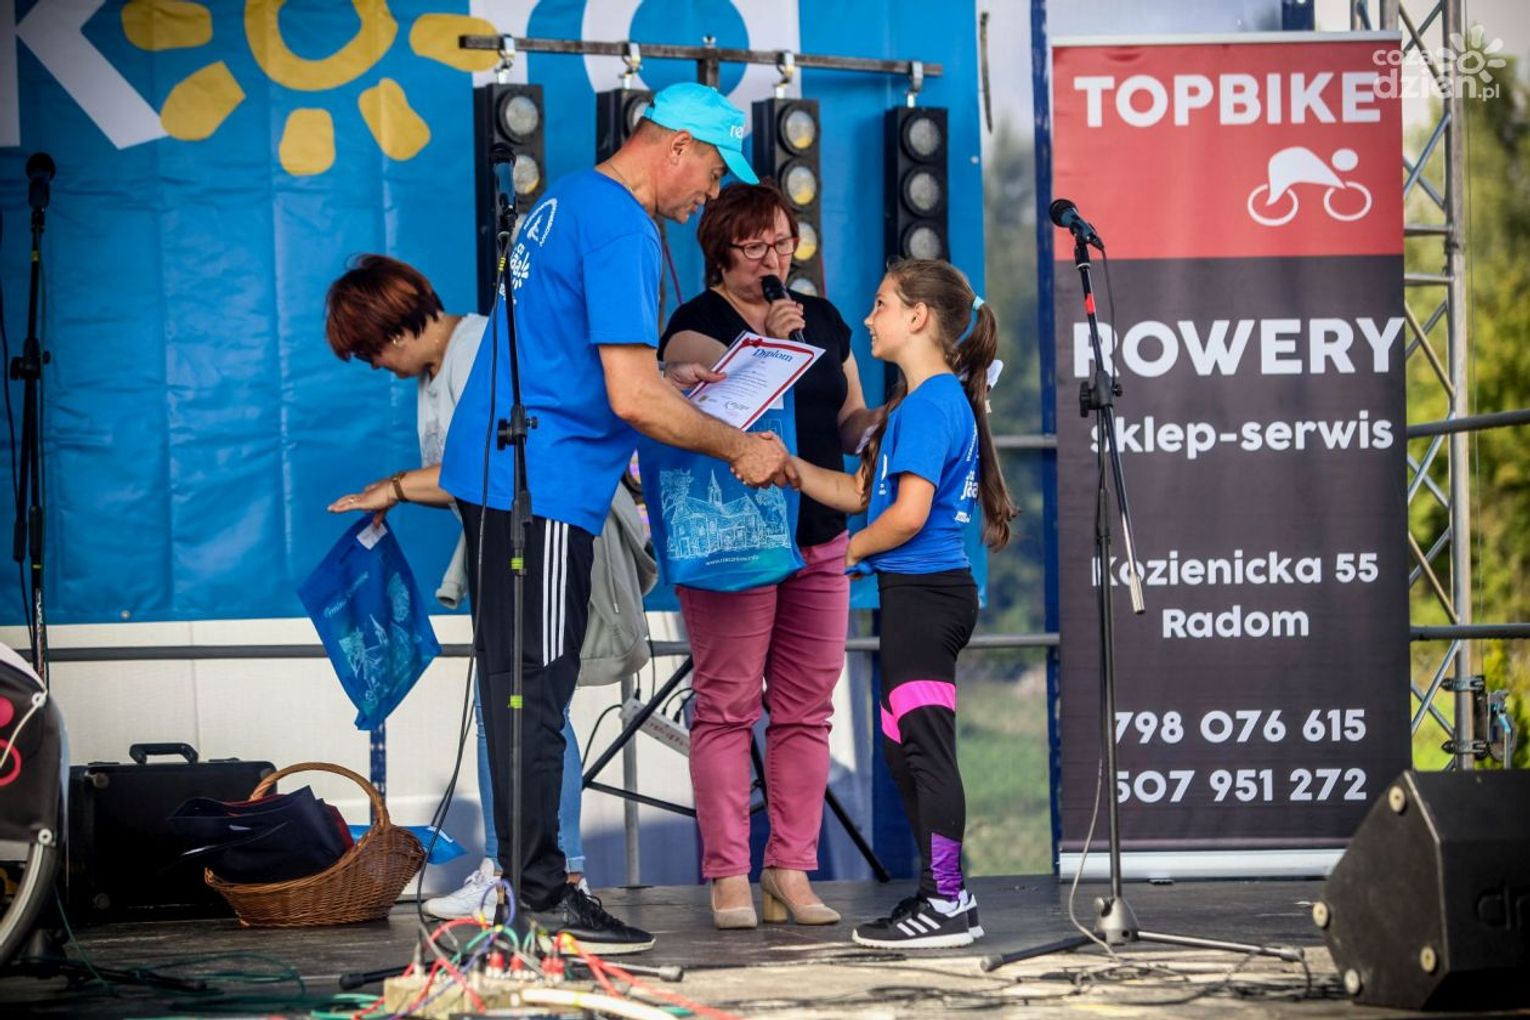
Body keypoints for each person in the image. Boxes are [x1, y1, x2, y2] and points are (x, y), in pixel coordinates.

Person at [436, 82, 789, 954]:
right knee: (536, 691)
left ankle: (520, 887)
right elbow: (629, 398)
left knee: (518, 687)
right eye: (712, 170)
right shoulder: (625, 227)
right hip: (543, 486)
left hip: (497, 471)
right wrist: (736, 446)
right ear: (676, 147)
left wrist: (673, 383)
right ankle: (541, 895)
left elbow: (583, 359)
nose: (711, 192)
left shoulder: (567, 196)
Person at [318, 254, 590, 920]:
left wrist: (394, 487)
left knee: (535, 706)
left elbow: (484, 467)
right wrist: (399, 491)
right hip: (494, 551)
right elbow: (457, 478)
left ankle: (562, 870)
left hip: (533, 542)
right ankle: (507, 867)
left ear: (396, 326)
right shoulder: (434, 371)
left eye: (372, 350)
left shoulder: (479, 349)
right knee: (499, 712)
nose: (377, 366)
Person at [659, 182, 880, 930]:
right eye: (755, 246)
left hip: (820, 532)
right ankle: (728, 874)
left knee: (806, 710)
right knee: (727, 707)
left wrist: (886, 422)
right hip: (738, 541)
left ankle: (791, 868)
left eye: (784, 243)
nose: (773, 259)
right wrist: (777, 345)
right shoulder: (696, 325)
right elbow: (714, 406)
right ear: (721, 253)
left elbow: (846, 419)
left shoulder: (823, 319)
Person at [787, 259, 1016, 949]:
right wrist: (791, 468)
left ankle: (947, 899)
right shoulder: (917, 404)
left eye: (881, 304)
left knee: (925, 753)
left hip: (927, 599)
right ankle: (942, 893)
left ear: (918, 317)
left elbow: (908, 516)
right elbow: (863, 495)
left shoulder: (931, 404)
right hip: (915, 597)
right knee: (903, 753)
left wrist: (844, 554)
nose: (868, 318)